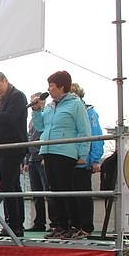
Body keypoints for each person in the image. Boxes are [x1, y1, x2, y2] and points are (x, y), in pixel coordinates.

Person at [31, 70, 91, 239]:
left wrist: (82, 154)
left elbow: (84, 130)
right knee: (54, 191)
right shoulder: (50, 106)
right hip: (48, 150)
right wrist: (36, 111)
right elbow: (40, 126)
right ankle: (61, 225)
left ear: (61, 86)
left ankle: (75, 225)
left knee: (66, 189)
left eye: (51, 85)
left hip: (65, 152)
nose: (49, 89)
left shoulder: (75, 104)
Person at [0, 72, 29, 237]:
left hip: (13, 147)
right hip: (5, 147)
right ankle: (15, 224)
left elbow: (10, 118)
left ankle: (14, 225)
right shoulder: (3, 99)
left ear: (6, 81)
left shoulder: (17, 96)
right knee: (13, 186)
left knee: (8, 186)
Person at [70, 82, 104, 238]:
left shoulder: (90, 112)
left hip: (84, 160)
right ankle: (74, 225)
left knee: (83, 194)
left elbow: (96, 135)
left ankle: (86, 226)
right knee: (70, 194)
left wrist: (95, 159)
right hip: (69, 159)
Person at [24, 92, 51, 232]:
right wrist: (26, 160)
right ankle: (39, 222)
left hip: (42, 157)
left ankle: (54, 223)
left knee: (48, 191)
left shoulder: (47, 115)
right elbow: (30, 139)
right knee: (36, 192)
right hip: (33, 158)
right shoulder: (32, 120)